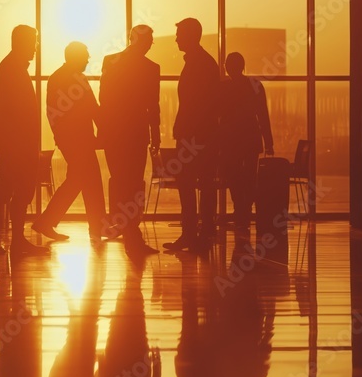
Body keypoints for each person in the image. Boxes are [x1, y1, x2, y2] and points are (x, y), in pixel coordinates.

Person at [33, 41, 107, 244]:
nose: (88, 58)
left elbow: (53, 113)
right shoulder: (77, 79)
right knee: (88, 179)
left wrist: (60, 136)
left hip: (70, 139)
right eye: (85, 55)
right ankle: (96, 226)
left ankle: (48, 221)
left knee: (81, 179)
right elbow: (92, 108)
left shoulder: (57, 78)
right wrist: (106, 133)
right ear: (76, 57)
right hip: (80, 139)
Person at [0, 24, 48, 255]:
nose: (36, 48)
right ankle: (13, 239)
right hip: (17, 143)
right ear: (22, 42)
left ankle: (0, 233)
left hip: (15, 142)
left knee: (10, 187)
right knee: (17, 189)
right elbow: (17, 112)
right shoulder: (12, 69)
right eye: (33, 42)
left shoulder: (11, 67)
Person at [98, 25, 161, 257]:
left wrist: (103, 131)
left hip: (115, 134)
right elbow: (152, 106)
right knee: (134, 183)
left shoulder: (111, 61)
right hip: (136, 134)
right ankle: (131, 232)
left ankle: (124, 227)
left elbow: (104, 99)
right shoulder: (151, 68)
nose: (150, 45)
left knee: (120, 180)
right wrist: (156, 135)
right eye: (149, 41)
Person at [165, 18, 222, 252]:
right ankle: (201, 233)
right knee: (202, 184)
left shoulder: (200, 64)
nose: (176, 38)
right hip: (200, 135)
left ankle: (194, 234)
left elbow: (196, 104)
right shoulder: (203, 63)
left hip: (195, 136)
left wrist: (185, 129)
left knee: (189, 185)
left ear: (190, 36)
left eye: (179, 34)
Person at [219, 52, 274, 241]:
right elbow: (262, 115)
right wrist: (269, 142)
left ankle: (239, 210)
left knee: (233, 177)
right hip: (250, 138)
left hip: (229, 140)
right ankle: (245, 210)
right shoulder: (255, 86)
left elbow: (217, 117)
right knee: (249, 177)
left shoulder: (222, 87)